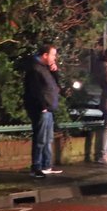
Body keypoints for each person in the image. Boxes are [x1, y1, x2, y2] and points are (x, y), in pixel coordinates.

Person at [24, 44, 63, 178]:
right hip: (41, 109)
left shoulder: (45, 68)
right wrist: (42, 106)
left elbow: (55, 85)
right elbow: (34, 89)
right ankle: (36, 167)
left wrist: (54, 71)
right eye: (52, 54)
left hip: (48, 108)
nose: (54, 57)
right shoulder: (35, 69)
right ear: (45, 55)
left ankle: (46, 165)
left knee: (48, 138)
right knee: (40, 139)